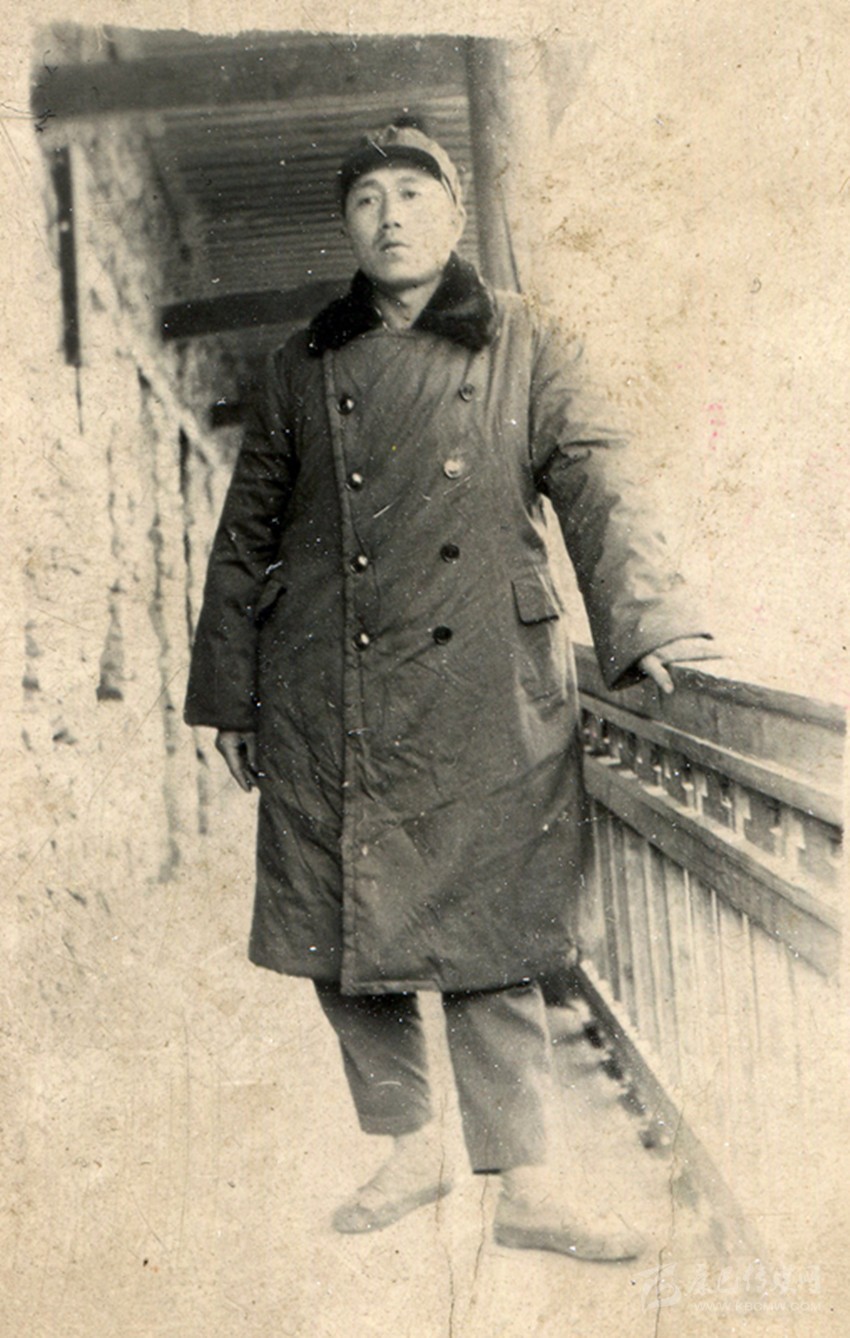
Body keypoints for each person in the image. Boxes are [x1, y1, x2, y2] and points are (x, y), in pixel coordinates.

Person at [184, 117, 716, 1260]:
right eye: (366, 199)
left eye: (413, 194)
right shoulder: (299, 364)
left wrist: (645, 626)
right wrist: (229, 691)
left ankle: (526, 1183)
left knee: (494, 930)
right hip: (329, 680)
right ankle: (407, 1143)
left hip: (482, 674)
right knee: (338, 917)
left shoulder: (526, 339)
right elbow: (244, 537)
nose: (391, 218)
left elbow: (598, 480)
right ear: (346, 226)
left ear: (454, 213)